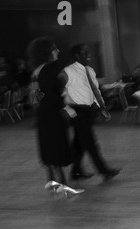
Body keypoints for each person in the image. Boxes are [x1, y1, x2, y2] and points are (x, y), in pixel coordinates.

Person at [27, 37, 83, 196]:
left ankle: (52, 181)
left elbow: (38, 96)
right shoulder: (47, 69)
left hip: (43, 114)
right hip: (52, 114)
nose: (57, 51)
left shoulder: (37, 70)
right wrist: (65, 107)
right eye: (54, 48)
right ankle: (63, 185)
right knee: (57, 146)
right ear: (46, 52)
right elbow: (51, 93)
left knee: (49, 146)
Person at [58, 43, 120, 181]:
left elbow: (94, 90)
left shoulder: (90, 70)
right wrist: (68, 110)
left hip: (89, 111)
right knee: (91, 143)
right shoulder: (67, 71)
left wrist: (102, 108)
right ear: (77, 55)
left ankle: (76, 172)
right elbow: (58, 92)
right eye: (85, 53)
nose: (89, 55)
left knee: (79, 144)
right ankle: (104, 171)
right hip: (77, 111)